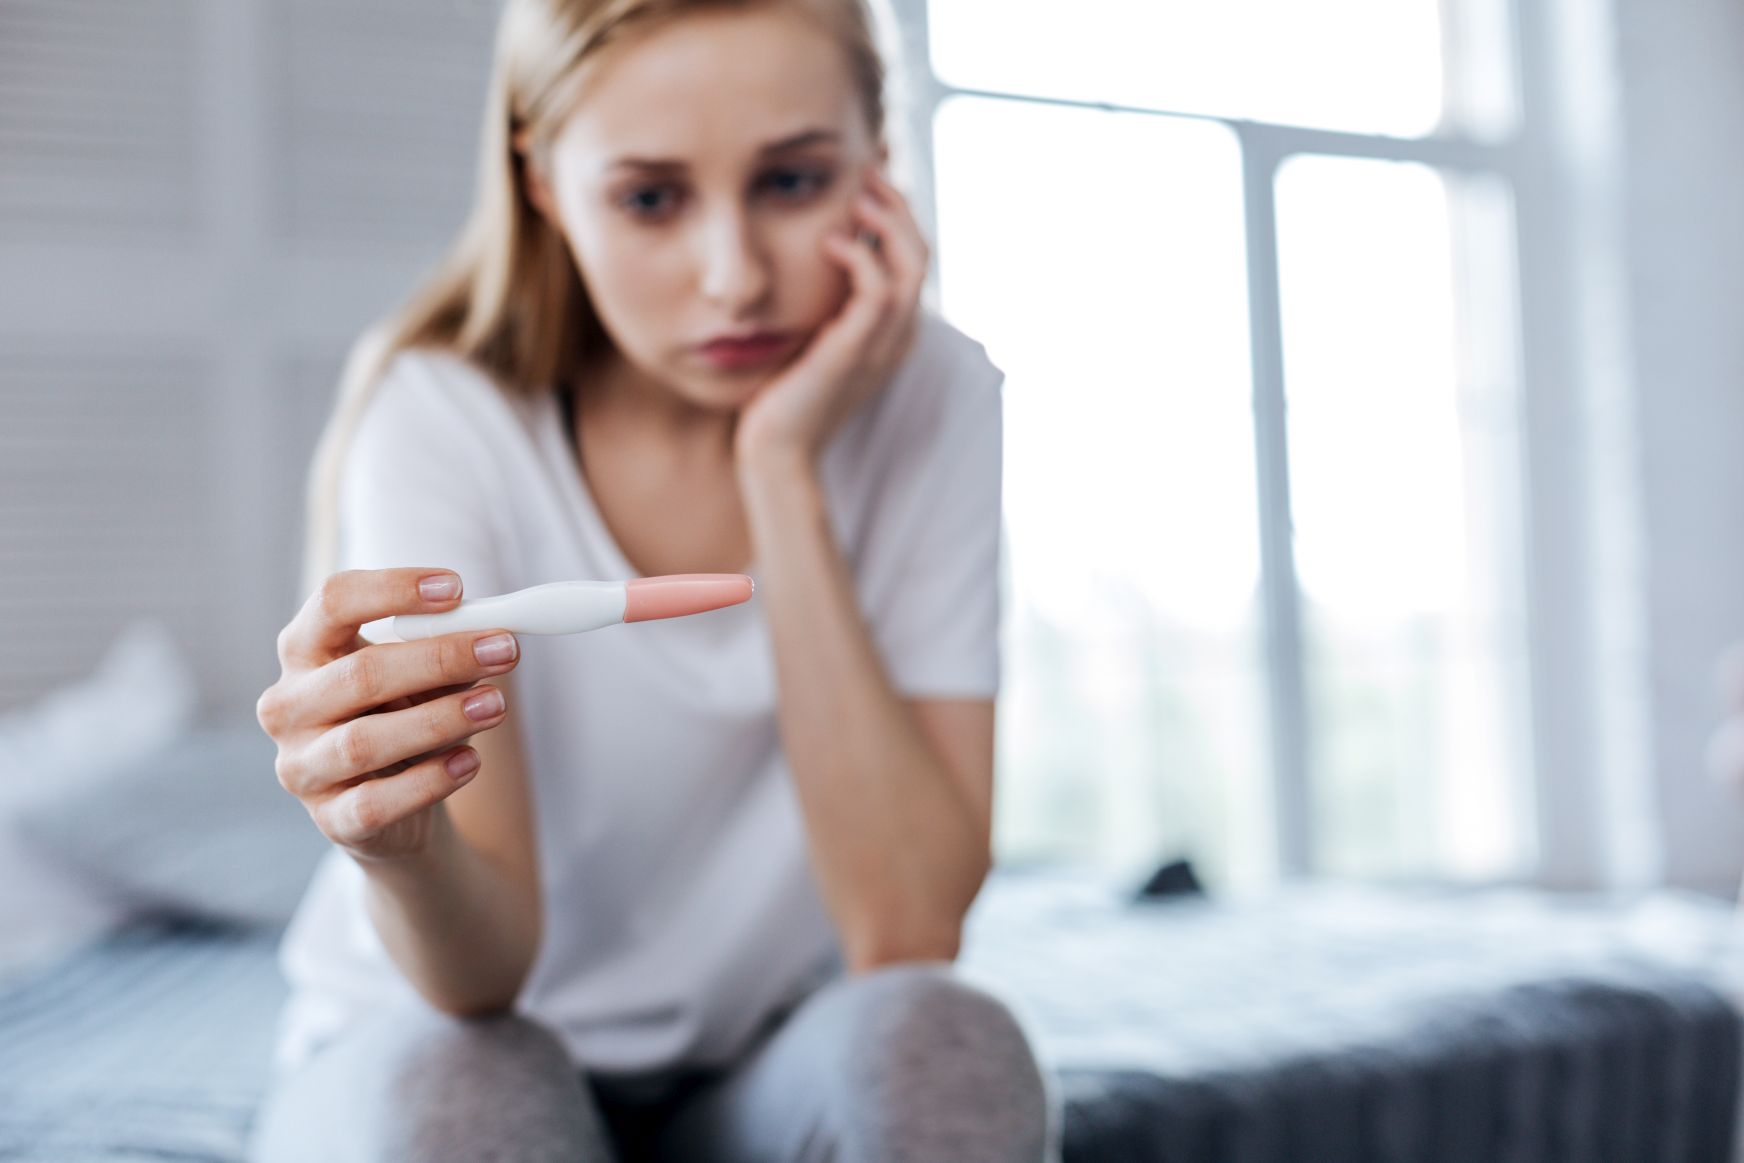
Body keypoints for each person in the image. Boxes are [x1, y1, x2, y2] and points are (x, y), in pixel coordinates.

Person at [245, 0, 1056, 1160]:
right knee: (472, 1093)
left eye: (791, 182)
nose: (733, 280)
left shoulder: (936, 398)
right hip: (449, 1025)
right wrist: (399, 843)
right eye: (649, 198)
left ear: (877, 161)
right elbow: (485, 979)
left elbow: (905, 930)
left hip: (754, 1067)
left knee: (942, 1043)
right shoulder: (442, 417)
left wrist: (781, 467)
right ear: (541, 180)